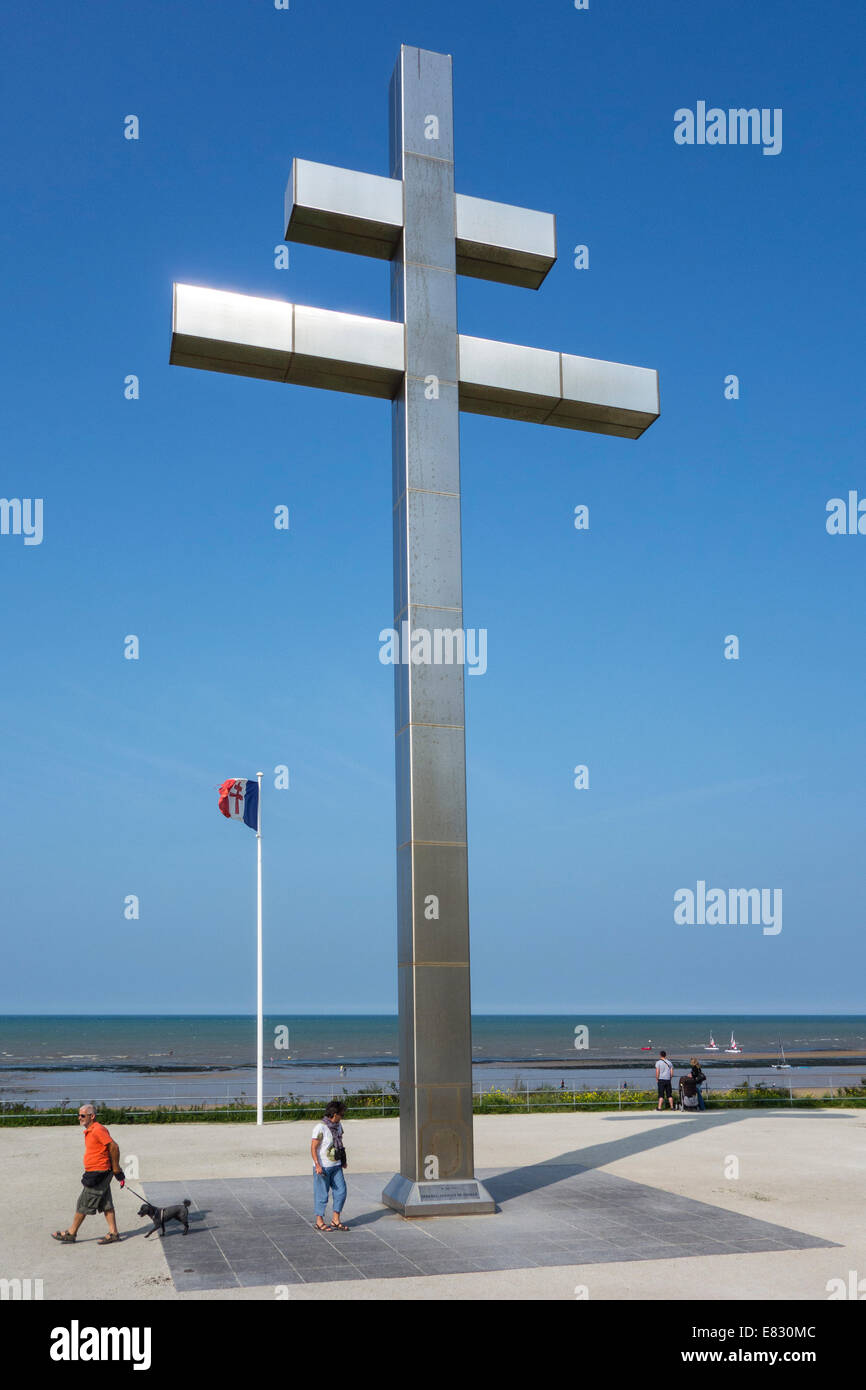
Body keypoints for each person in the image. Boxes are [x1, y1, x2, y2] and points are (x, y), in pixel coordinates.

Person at [51, 1103, 125, 1244]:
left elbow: (114, 1147)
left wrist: (116, 1169)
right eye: (78, 1115)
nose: (79, 1118)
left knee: (83, 1203)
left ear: (92, 1116)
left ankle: (71, 1233)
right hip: (97, 1171)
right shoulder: (91, 1130)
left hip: (98, 1173)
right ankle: (114, 1233)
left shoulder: (98, 1130)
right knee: (106, 1203)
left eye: (83, 1115)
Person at [311, 1100, 349, 1231]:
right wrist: (317, 1165)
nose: (342, 1116)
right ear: (334, 1114)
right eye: (341, 1114)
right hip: (323, 1166)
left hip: (336, 1165)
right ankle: (319, 1221)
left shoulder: (338, 1126)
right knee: (322, 1194)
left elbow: (340, 1143)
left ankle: (335, 1219)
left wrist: (343, 1160)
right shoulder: (320, 1127)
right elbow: (313, 1147)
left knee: (341, 1192)